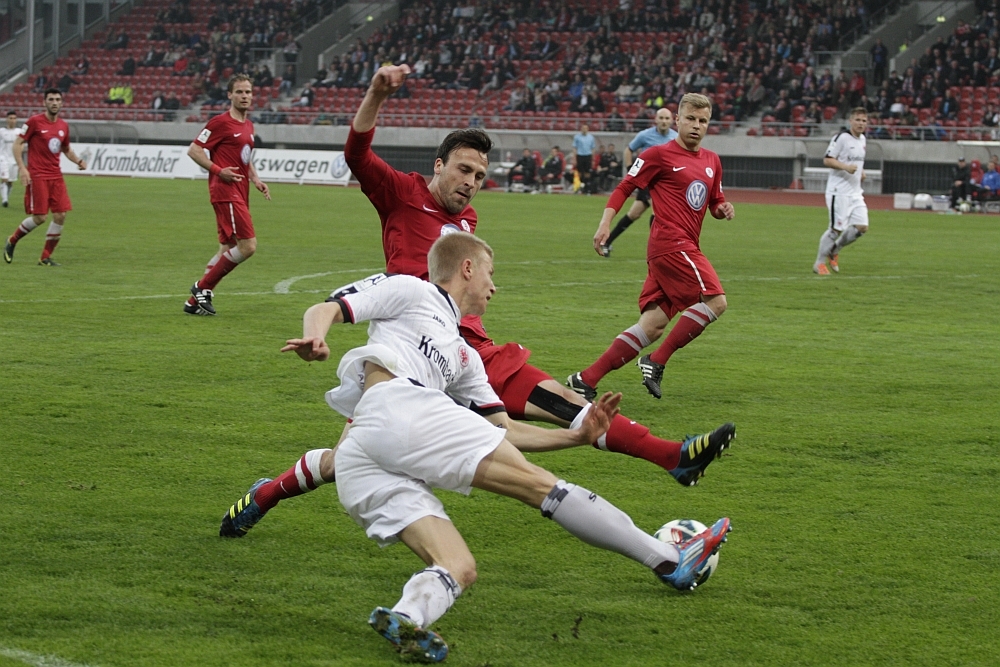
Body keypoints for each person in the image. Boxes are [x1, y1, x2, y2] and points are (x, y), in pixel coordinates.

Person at [222, 232, 732, 660]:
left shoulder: (464, 357)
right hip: (397, 407)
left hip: (368, 451)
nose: (494, 285)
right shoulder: (412, 291)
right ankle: (669, 561)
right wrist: (316, 339)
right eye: (490, 274)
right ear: (467, 268)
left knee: (458, 567)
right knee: (541, 489)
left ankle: (407, 618)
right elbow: (327, 306)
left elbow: (503, 430)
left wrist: (576, 435)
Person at [570, 93, 734, 400]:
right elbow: (625, 187)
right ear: (677, 121)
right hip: (671, 243)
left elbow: (713, 201)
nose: (696, 126)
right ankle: (656, 361)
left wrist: (723, 208)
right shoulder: (658, 155)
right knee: (716, 301)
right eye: (690, 119)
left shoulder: (712, 160)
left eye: (703, 121)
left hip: (679, 246)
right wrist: (605, 223)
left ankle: (586, 379)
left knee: (653, 325)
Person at [182, 74, 270, 315]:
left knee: (227, 247)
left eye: (248, 92)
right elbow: (194, 150)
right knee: (248, 246)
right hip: (225, 191)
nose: (245, 96)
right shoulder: (219, 123)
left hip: (240, 191)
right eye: (239, 92)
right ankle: (202, 287)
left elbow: (244, 157)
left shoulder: (248, 125)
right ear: (229, 95)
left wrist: (255, 178)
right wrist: (219, 171)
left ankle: (193, 303)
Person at [4, 90, 86, 265]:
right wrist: (22, 168)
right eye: (51, 100)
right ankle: (12, 240)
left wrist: (78, 160)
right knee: (40, 217)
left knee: (60, 215)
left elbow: (65, 149)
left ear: (62, 103)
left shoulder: (63, 125)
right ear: (44, 102)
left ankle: (45, 257)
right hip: (38, 175)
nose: (54, 102)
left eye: (57, 100)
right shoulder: (34, 122)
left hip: (56, 176)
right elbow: (18, 144)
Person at [599, 107, 677, 257]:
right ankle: (657, 249)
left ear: (672, 121)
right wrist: (631, 170)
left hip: (664, 182)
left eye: (667, 119)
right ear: (655, 120)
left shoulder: (676, 137)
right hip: (647, 181)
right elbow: (628, 150)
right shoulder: (645, 135)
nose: (664, 121)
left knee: (634, 214)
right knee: (658, 211)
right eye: (661, 118)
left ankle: (607, 242)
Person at [814, 107, 869, 275]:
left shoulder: (863, 140)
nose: (861, 124)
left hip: (855, 192)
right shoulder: (841, 138)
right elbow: (827, 160)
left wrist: (861, 172)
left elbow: (857, 161)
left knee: (862, 227)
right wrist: (845, 167)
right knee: (835, 229)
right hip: (838, 191)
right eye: (858, 120)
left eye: (864, 121)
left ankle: (835, 249)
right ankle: (819, 263)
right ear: (850, 121)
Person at [0, 111, 22, 208]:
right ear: (7, 119)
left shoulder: (19, 132)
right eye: (10, 118)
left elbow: (22, 145)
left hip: (14, 159)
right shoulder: (1, 131)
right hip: (3, 158)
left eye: (14, 118)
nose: (12, 120)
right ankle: (4, 200)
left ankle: (6, 198)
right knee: (4, 179)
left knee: (10, 181)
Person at [572, 123, 596, 193]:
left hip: (588, 155)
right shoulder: (577, 137)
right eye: (583, 128)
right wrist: (574, 157)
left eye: (585, 128)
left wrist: (593, 159)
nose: (584, 130)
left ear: (588, 129)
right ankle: (578, 187)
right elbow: (574, 147)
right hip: (580, 155)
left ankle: (587, 187)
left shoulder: (591, 137)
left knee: (587, 172)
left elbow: (593, 148)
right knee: (579, 172)